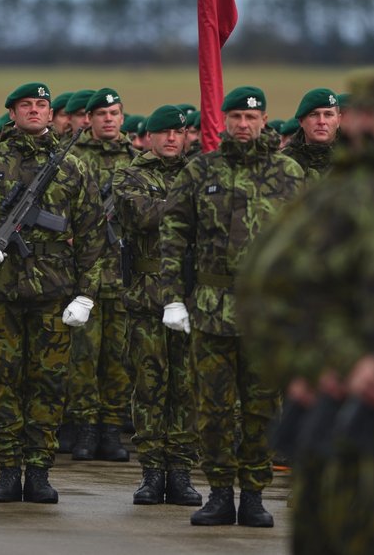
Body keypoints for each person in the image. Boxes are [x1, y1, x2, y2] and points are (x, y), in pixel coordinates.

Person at [0, 82, 106, 504]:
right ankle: (9, 469)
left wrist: (86, 295)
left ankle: (41, 471)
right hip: (1, 294)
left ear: (51, 114)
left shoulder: (75, 168)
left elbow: (93, 238)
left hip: (54, 294)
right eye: (25, 105)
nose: (34, 110)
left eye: (42, 105)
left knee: (49, 383)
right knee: (3, 383)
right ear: (11, 113)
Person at [159, 85, 304, 527]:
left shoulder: (288, 173)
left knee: (261, 408)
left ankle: (255, 495)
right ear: (223, 121)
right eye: (236, 117)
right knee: (213, 409)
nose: (243, 125)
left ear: (265, 121)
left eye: (251, 118)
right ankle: (220, 492)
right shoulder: (201, 169)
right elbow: (173, 232)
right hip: (210, 308)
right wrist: (171, 297)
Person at [112, 104, 202, 506]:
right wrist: (192, 206)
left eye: (178, 133)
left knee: (186, 387)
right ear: (148, 137)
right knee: (150, 385)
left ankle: (180, 471)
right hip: (147, 297)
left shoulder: (200, 172)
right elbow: (142, 215)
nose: (171, 139)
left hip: (189, 295)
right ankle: (151, 471)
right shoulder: (130, 173)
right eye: (163, 132)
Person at [67, 87, 138, 462]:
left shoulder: (138, 161)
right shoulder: (72, 159)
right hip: (84, 278)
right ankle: (84, 430)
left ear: (122, 118)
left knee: (118, 358)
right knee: (83, 358)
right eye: (101, 114)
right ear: (88, 120)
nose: (108, 119)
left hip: (124, 277)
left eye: (114, 113)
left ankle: (111, 431)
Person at [282, 88, 342, 179]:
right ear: (301, 121)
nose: (321, 121)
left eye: (328, 115)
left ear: (338, 120)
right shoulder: (283, 162)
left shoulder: (352, 160)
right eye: (314, 114)